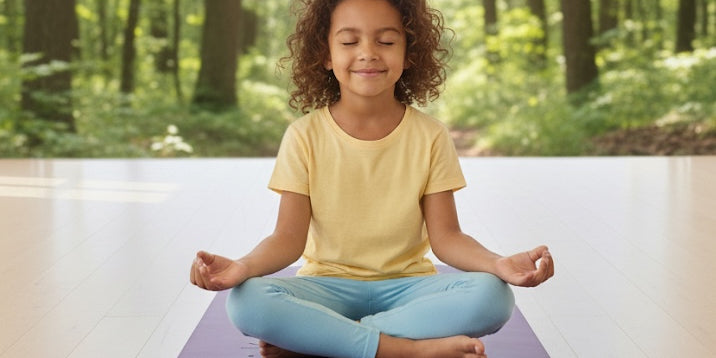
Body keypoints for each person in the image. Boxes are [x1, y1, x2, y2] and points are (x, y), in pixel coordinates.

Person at [189, 0, 554, 357]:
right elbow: (288, 239)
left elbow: (447, 238)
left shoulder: (431, 136)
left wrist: (497, 264)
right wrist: (243, 267)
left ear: (409, 53)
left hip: (410, 289)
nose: (368, 53)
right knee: (247, 302)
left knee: (493, 297)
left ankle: (326, 339)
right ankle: (406, 350)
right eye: (349, 42)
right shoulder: (303, 136)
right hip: (324, 287)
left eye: (386, 41)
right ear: (327, 55)